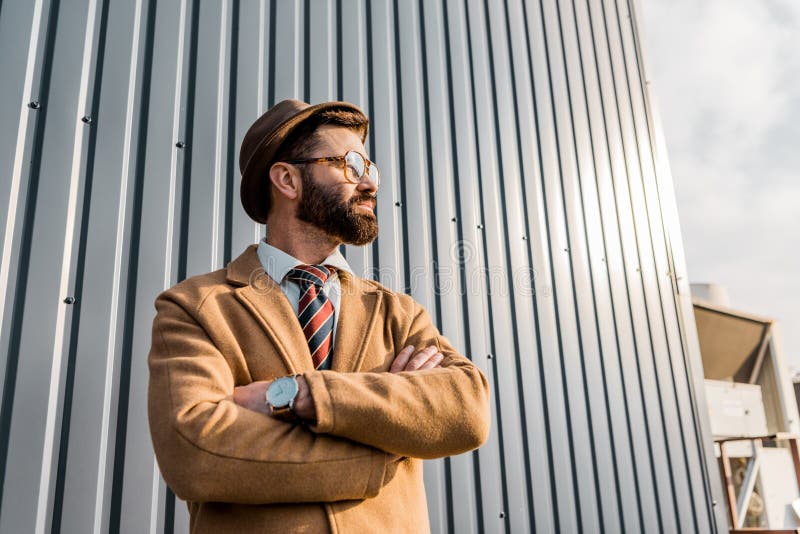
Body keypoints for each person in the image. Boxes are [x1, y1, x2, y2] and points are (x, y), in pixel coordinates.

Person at [147, 99, 490, 533]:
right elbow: (194, 452)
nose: (368, 182)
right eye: (348, 164)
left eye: (370, 167)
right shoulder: (196, 306)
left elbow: (466, 410)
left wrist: (297, 395)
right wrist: (384, 444)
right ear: (287, 179)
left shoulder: (398, 313)